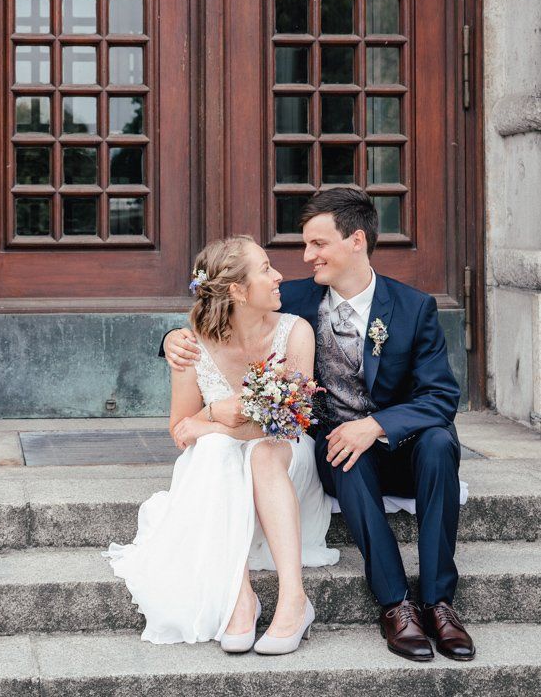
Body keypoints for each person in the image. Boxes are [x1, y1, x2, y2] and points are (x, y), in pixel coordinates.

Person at [162, 187, 475, 663]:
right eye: (305, 245)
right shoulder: (296, 298)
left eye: (317, 244)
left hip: (404, 443)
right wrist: (169, 339)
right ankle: (396, 606)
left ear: (356, 241)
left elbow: (441, 397)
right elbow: (227, 312)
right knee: (340, 451)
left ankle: (438, 602)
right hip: (339, 452)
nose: (305, 257)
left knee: (437, 443)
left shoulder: (414, 308)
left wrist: (375, 425)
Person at [105, 235, 339, 652]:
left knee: (261, 453)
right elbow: (182, 429)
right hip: (220, 471)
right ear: (236, 290)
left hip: (284, 460)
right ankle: (239, 597)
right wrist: (216, 415)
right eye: (266, 269)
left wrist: (214, 425)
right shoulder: (191, 343)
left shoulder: (295, 331)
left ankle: (294, 599)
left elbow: (291, 423)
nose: (278, 275)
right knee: (214, 450)